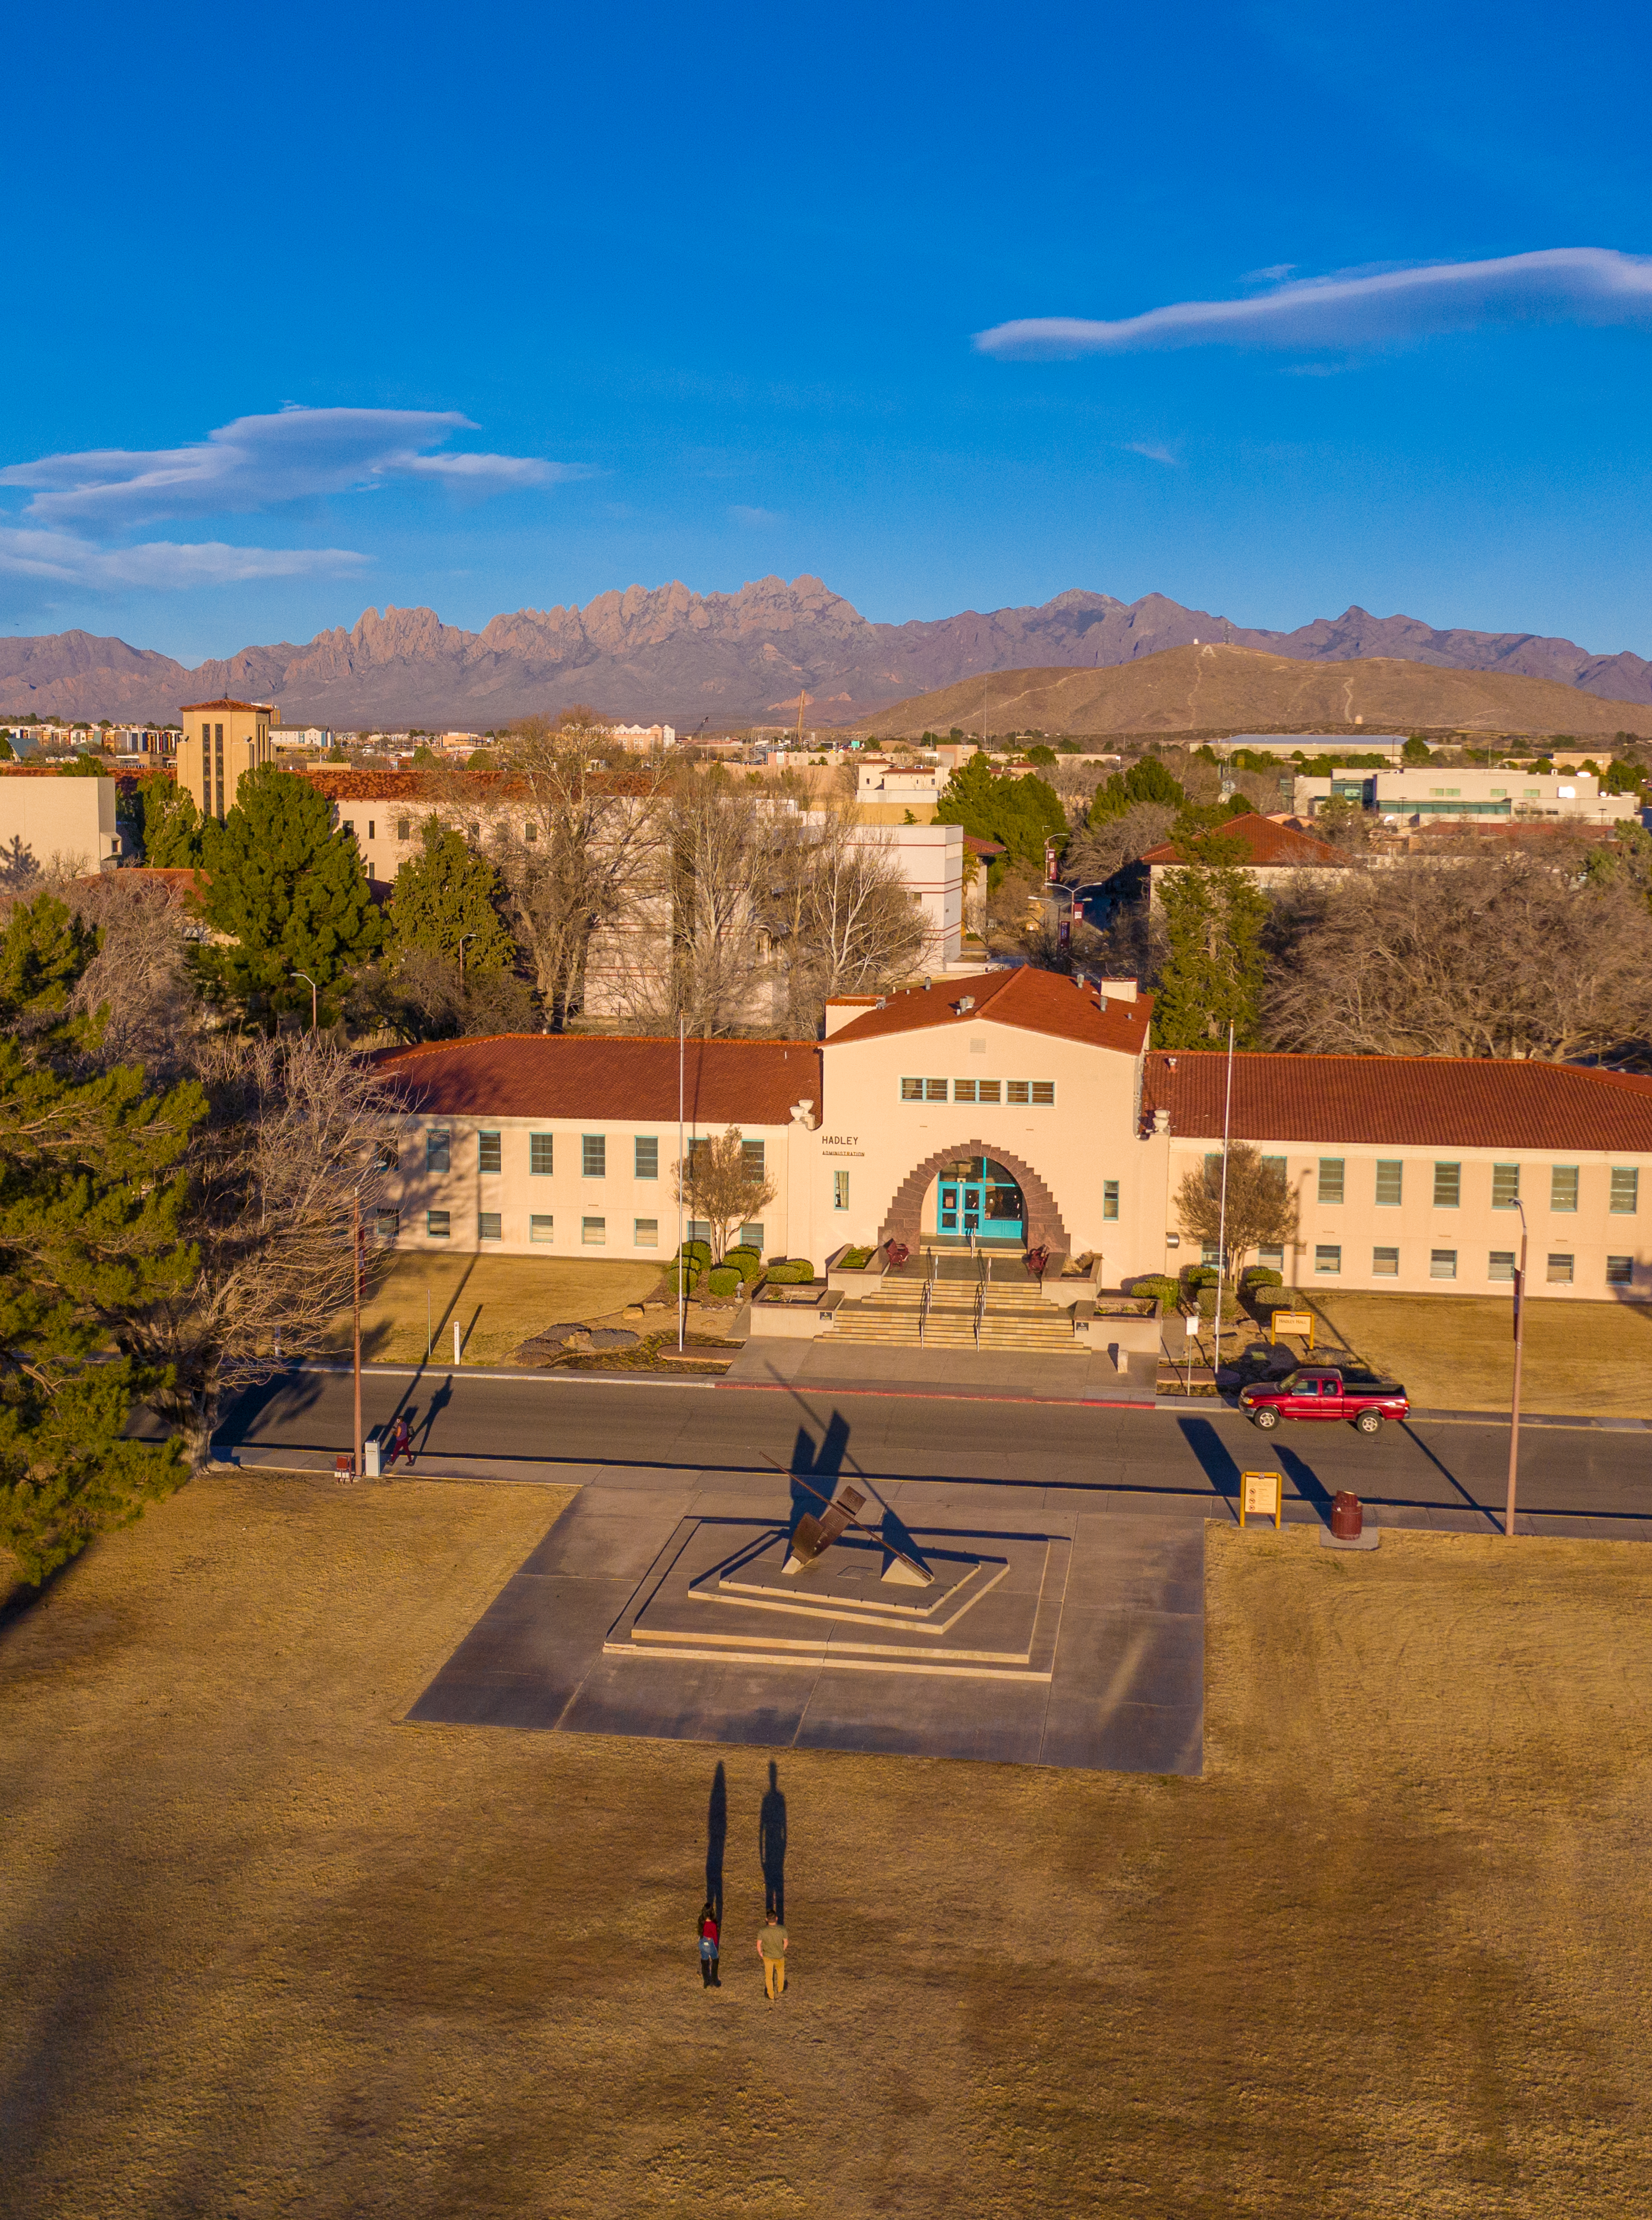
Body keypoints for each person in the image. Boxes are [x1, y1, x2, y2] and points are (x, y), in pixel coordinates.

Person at [756, 1910, 787, 2002]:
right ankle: (780, 1989)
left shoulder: (763, 1931)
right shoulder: (782, 1929)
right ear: (777, 1919)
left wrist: (761, 1953)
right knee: (781, 1973)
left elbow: (759, 1945)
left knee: (769, 1976)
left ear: (767, 1920)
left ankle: (771, 1995)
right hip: (780, 1956)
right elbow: (786, 1942)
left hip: (768, 1957)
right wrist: (783, 1950)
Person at [698, 1902, 721, 1989]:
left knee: (705, 1961)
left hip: (702, 1942)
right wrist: (715, 1947)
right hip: (710, 1943)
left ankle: (706, 1980)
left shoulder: (701, 1922)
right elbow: (715, 1937)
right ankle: (714, 1980)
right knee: (715, 1960)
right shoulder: (713, 1925)